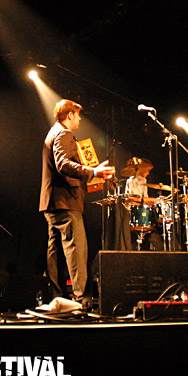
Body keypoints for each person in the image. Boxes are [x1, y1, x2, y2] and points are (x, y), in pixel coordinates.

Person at [39, 99, 115, 304]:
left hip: (52, 202)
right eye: (78, 114)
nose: (80, 118)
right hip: (65, 202)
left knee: (54, 253)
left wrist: (93, 171)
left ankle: (57, 299)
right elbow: (63, 164)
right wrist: (94, 171)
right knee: (76, 250)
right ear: (70, 115)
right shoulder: (63, 133)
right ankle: (82, 299)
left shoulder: (52, 132)